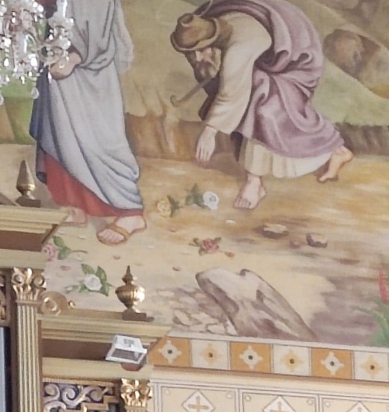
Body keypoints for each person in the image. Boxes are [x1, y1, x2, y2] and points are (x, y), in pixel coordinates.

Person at [171, 0, 354, 210]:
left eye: (201, 50)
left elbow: (232, 93)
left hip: (297, 63)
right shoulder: (206, 26)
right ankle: (338, 151)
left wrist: (210, 131)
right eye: (191, 52)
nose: (196, 57)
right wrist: (208, 69)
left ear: (213, 39)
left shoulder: (241, 46)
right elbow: (219, 78)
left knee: (263, 106)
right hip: (270, 56)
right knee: (255, 90)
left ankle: (254, 182)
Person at [29, 0, 146, 246]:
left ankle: (131, 211)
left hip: (89, 70)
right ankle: (75, 205)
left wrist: (75, 57)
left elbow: (98, 19)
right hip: (58, 61)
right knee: (61, 136)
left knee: (99, 139)